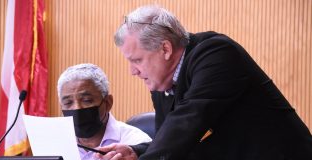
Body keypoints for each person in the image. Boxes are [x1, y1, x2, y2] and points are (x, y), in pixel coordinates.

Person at [96, 5, 312, 160]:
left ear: (165, 49)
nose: (132, 71)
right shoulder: (163, 80)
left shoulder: (216, 54)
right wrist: (136, 152)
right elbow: (172, 140)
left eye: (137, 60)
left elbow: (188, 124)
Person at [57, 63, 152, 160]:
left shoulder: (134, 145)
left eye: (86, 100)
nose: (76, 108)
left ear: (108, 103)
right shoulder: (54, 143)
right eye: (68, 103)